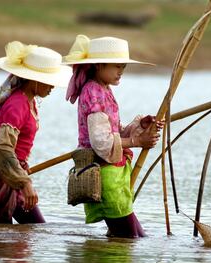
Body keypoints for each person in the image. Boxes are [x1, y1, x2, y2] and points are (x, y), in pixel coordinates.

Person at [63, 35, 164, 238]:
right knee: (128, 237)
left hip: (114, 174)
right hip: (105, 174)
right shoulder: (93, 92)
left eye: (123, 67)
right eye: (117, 66)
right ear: (99, 65)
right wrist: (137, 141)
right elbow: (101, 142)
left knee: (135, 235)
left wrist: (140, 126)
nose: (121, 72)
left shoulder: (104, 89)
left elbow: (114, 131)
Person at [0, 41, 72, 224]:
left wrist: (22, 175)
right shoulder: (17, 104)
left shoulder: (28, 101)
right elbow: (2, 148)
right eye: (49, 82)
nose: (52, 87)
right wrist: (24, 182)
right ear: (34, 79)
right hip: (4, 181)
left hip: (14, 177)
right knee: (2, 243)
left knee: (33, 229)